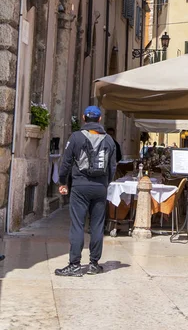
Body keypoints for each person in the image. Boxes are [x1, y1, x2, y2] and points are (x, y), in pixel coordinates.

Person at [55, 105, 116, 277]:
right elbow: (112, 167)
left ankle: (74, 264)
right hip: (100, 187)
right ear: (99, 119)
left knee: (77, 225)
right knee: (97, 226)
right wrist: (106, 183)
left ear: (83, 118)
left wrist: (62, 182)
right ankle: (94, 264)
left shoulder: (76, 137)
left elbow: (66, 162)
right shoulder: (109, 140)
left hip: (80, 186)